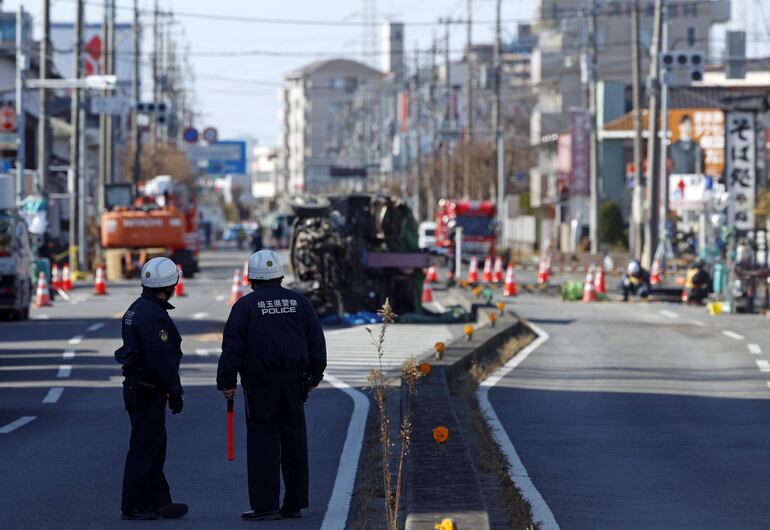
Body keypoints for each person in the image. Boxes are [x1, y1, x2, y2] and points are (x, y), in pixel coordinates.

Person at [217, 250, 327, 521]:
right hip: (294, 383)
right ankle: (294, 504)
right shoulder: (299, 303)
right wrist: (314, 376)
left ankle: (266, 506)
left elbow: (233, 347)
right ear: (279, 275)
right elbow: (316, 342)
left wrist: (226, 382)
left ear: (251, 278)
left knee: (263, 443)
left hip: (260, 385)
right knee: (294, 441)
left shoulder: (245, 306)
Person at [114, 257, 188, 521]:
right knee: (145, 448)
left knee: (154, 446)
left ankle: (158, 501)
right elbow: (160, 356)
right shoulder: (153, 315)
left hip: (139, 387)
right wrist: (174, 389)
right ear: (170, 284)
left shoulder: (138, 308)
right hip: (147, 388)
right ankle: (134, 504)